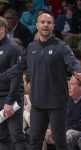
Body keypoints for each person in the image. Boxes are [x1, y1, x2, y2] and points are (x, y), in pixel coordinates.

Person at [0, 12, 81, 150]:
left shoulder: (62, 46)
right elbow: (19, 67)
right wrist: (3, 75)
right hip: (37, 104)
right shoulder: (31, 47)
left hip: (57, 104)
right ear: (37, 25)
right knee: (34, 142)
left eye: (49, 22)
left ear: (53, 26)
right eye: (42, 22)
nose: (45, 25)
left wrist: (78, 71)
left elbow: (73, 61)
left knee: (60, 142)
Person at [0, 16, 27, 150]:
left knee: (16, 135)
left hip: (11, 97)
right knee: (1, 135)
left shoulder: (12, 48)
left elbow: (16, 76)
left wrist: (9, 101)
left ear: (2, 29)